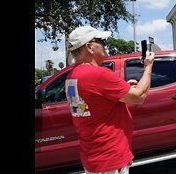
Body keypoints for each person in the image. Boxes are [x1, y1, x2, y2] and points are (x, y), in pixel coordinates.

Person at [64, 25, 155, 174]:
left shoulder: (72, 76)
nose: (105, 45)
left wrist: (122, 88)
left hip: (94, 157)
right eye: (101, 41)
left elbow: (94, 103)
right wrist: (148, 66)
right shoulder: (98, 74)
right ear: (89, 47)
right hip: (110, 159)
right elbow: (139, 96)